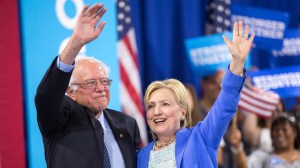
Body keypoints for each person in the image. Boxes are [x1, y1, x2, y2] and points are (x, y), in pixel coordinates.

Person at [35, 4, 141, 168]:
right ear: (71, 91)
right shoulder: (58, 120)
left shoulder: (127, 123)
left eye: (104, 81)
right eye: (91, 83)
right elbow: (47, 97)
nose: (101, 88)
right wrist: (75, 44)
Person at [137, 21, 255, 167]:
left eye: (165, 104)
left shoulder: (201, 137)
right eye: (150, 106)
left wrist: (237, 63)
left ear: (182, 112)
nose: (156, 112)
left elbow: (224, 105)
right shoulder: (141, 157)